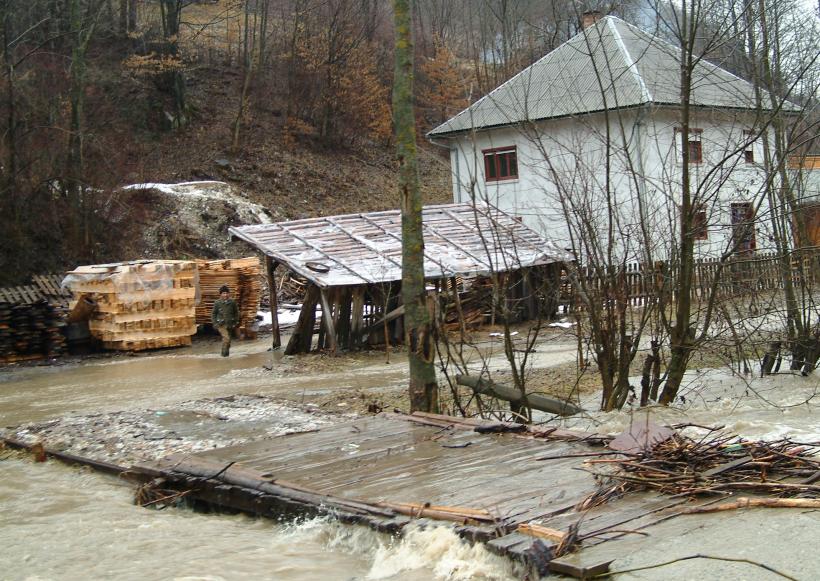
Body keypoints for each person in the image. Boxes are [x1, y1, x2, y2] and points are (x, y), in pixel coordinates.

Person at [212, 285, 240, 357]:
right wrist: (215, 323)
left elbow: (236, 312)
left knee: (228, 341)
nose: (225, 295)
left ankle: (225, 355)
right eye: (223, 293)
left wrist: (236, 321)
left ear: (229, 294)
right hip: (221, 324)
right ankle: (224, 356)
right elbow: (214, 314)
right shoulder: (217, 303)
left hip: (230, 324)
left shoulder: (232, 302)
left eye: (226, 293)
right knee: (226, 339)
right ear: (220, 294)